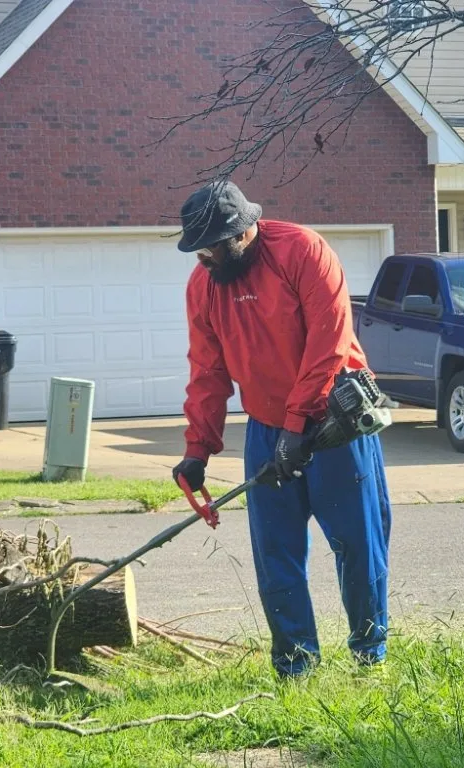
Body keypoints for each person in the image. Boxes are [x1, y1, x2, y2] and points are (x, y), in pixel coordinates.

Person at [172, 180, 391, 677]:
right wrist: (197, 450)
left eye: (211, 247)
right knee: (275, 554)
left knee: (358, 545)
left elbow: (328, 344)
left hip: (336, 425)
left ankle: (369, 658)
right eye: (196, 249)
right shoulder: (203, 285)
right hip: (269, 429)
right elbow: (206, 372)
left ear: (243, 233)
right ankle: (296, 665)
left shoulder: (303, 251)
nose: (203, 257)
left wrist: (299, 427)